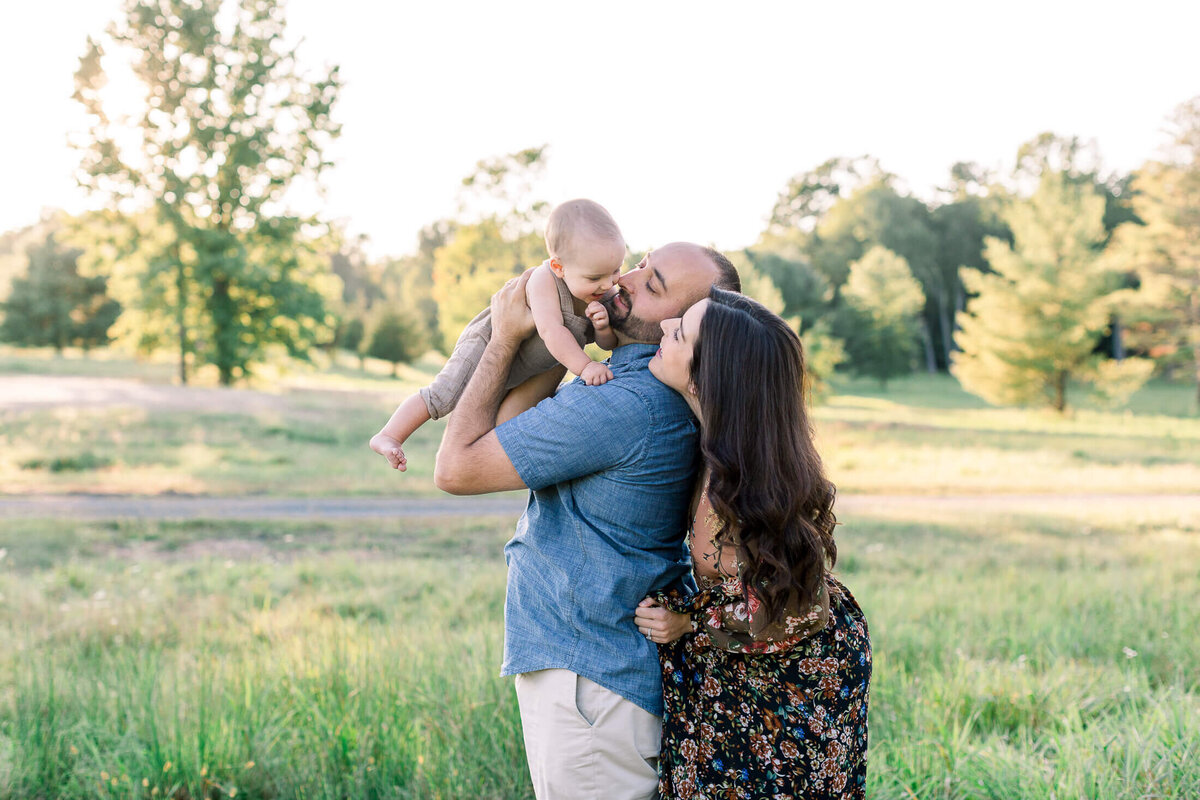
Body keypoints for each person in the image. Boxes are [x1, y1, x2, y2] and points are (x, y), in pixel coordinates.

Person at [433, 243, 741, 800]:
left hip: (589, 685)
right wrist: (558, 331)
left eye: (653, 284)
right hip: (596, 675)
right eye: (642, 262)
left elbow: (457, 467)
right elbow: (513, 427)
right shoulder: (626, 386)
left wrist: (505, 338)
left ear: (683, 328)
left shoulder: (627, 405)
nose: (625, 277)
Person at [634, 288, 872, 799]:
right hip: (740, 667)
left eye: (679, 332)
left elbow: (801, 606)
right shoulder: (714, 441)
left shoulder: (754, 479)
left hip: (787, 679)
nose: (663, 327)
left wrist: (691, 624)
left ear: (705, 379)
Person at [369, 198, 624, 472]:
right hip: (489, 342)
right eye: (596, 277)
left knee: (498, 423)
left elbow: (607, 343)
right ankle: (389, 435)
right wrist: (585, 367)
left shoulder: (602, 288)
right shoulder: (545, 280)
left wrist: (602, 327)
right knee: (446, 393)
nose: (608, 284)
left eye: (616, 271)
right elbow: (552, 331)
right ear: (559, 266)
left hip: (523, 364)